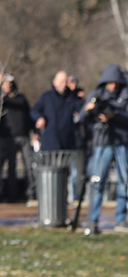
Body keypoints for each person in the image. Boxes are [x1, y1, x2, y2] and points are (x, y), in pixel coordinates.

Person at [79, 63, 128, 234]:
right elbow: (81, 117)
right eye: (110, 82)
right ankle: (92, 220)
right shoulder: (97, 95)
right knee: (97, 181)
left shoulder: (127, 95)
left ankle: (121, 219)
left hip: (122, 141)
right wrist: (88, 110)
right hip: (102, 142)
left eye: (115, 82)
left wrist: (115, 116)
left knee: (123, 181)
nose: (113, 85)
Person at [31, 70, 84, 202]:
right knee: (49, 174)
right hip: (49, 143)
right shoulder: (46, 97)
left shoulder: (72, 98)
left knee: (64, 175)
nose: (63, 84)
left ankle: (62, 203)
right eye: (61, 81)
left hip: (66, 144)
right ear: (54, 82)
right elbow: (34, 110)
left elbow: (82, 114)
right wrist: (39, 118)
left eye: (65, 81)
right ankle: (47, 201)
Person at [1, 75, 35, 202]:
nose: (8, 86)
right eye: (5, 84)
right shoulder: (2, 100)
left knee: (29, 165)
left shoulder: (21, 98)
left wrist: (35, 131)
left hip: (24, 136)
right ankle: (12, 195)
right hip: (9, 137)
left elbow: (29, 114)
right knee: (11, 167)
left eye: (9, 84)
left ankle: (31, 193)